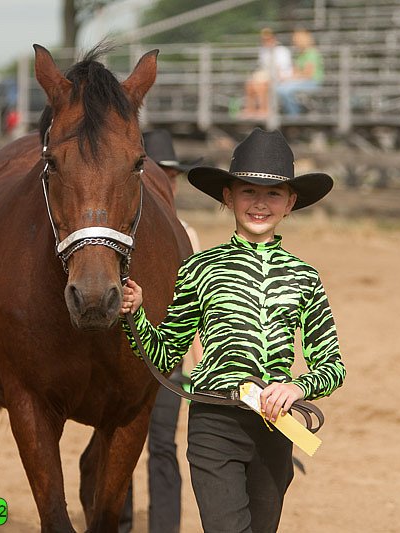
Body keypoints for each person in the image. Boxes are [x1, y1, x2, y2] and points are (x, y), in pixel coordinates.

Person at [120, 128, 346, 533]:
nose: (260, 203)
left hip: (276, 427)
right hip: (213, 422)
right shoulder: (199, 268)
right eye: (248, 192)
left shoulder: (305, 277)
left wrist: (297, 388)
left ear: (291, 202)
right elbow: (165, 354)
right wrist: (136, 316)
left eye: (274, 193)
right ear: (228, 196)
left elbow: (332, 365)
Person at [118, 130, 204, 533]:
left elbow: (198, 308)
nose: (167, 182)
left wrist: (200, 362)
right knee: (119, 447)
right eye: (159, 173)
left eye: (171, 175)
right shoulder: (122, 234)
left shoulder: (187, 233)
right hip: (126, 358)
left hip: (170, 361)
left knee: (164, 447)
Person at [243, 28, 293, 118]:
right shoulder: (263, 51)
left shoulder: (282, 51)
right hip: (268, 75)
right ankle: (250, 110)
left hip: (281, 77)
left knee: (261, 85)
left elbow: (282, 69)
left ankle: (264, 110)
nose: (266, 41)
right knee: (250, 84)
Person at [277, 28, 324, 116]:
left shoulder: (312, 53)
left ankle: (294, 115)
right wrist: (287, 78)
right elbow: (296, 72)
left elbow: (308, 75)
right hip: (301, 81)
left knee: (284, 90)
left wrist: (290, 79)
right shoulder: (300, 54)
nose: (294, 43)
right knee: (278, 87)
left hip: (312, 82)